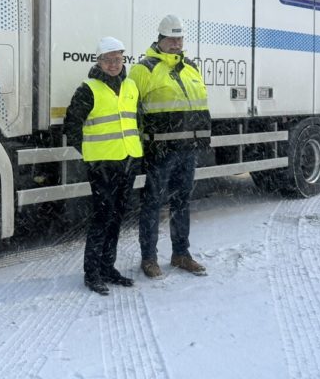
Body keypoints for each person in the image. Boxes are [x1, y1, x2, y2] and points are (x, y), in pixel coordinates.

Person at [129, 15, 211, 277]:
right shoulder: (144, 69)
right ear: (160, 39)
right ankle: (149, 259)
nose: (176, 43)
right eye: (171, 39)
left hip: (187, 149)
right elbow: (131, 111)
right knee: (152, 204)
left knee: (182, 202)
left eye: (179, 39)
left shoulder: (191, 67)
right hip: (160, 151)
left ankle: (181, 254)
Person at [63, 36, 143, 295]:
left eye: (117, 59)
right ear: (98, 61)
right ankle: (92, 273)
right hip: (102, 166)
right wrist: (90, 155)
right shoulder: (89, 88)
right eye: (108, 60)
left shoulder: (131, 86)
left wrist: (136, 151)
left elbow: (136, 121)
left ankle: (108, 267)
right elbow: (72, 125)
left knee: (118, 216)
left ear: (123, 60)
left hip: (128, 161)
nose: (113, 64)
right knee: (102, 217)